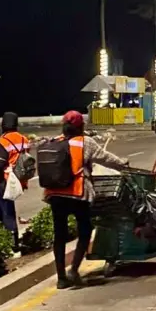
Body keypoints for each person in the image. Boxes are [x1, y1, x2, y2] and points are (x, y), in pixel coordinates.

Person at [44, 111, 129, 288]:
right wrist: (123, 162)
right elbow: (105, 158)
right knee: (85, 229)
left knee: (59, 235)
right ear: (81, 126)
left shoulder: (55, 141)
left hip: (55, 194)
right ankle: (74, 269)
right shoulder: (85, 142)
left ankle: (61, 278)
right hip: (77, 193)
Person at [0, 113, 30, 251]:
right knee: (8, 208)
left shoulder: (3, 141)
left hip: (6, 180)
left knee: (4, 210)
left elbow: (1, 164)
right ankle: (11, 239)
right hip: (19, 178)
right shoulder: (23, 139)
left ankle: (10, 242)